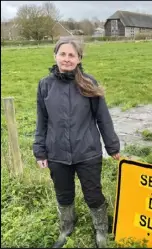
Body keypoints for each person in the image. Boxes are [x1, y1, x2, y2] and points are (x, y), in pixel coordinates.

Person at [33, 37, 121, 248]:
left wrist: (112, 146)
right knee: (63, 194)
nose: (66, 59)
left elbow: (103, 118)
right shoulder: (45, 85)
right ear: (55, 56)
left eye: (71, 55)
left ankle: (101, 230)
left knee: (93, 193)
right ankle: (66, 228)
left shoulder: (89, 83)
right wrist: (40, 151)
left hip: (87, 152)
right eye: (62, 54)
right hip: (57, 154)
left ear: (79, 58)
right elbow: (42, 120)